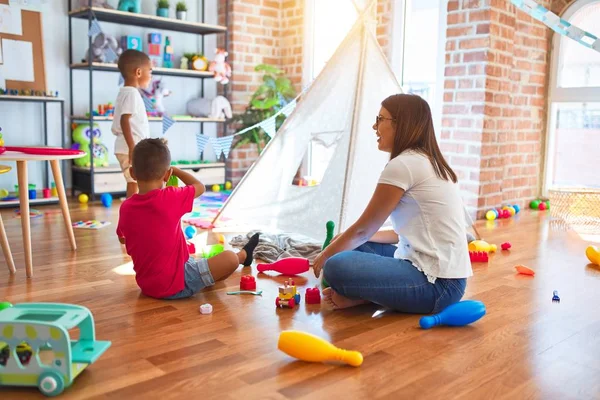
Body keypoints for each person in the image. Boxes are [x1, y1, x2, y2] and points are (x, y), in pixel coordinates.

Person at [313, 94, 472, 313]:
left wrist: (325, 254)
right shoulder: (424, 160)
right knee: (355, 244)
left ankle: (369, 296)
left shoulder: (404, 165)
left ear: (401, 124)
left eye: (380, 119)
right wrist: (345, 240)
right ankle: (369, 297)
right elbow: (399, 233)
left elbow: (362, 229)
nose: (374, 126)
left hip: (438, 285)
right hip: (439, 275)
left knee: (336, 265)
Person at [116, 139, 260, 299]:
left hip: (146, 284)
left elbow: (123, 239)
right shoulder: (169, 197)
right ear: (167, 174)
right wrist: (175, 171)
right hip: (176, 284)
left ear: (132, 173)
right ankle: (243, 256)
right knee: (229, 258)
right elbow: (200, 187)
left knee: (204, 264)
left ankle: (214, 274)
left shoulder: (126, 207)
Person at [112, 49, 152, 198]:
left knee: (134, 182)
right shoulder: (132, 94)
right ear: (139, 72)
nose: (151, 76)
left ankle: (135, 210)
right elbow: (124, 120)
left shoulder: (126, 92)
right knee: (134, 182)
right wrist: (132, 148)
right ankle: (132, 212)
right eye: (150, 71)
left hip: (129, 146)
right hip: (130, 147)